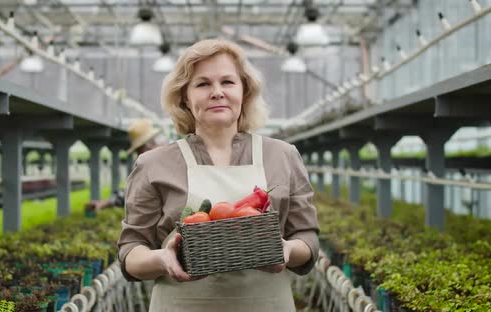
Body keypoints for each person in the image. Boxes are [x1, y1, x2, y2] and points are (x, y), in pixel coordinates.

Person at [117, 38, 320, 312]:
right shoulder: (153, 164)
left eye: (227, 82)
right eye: (202, 84)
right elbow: (131, 249)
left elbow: (307, 237)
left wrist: (287, 250)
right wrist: (162, 259)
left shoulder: (283, 156)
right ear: (185, 99)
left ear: (244, 92)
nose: (217, 92)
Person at [85, 119, 163, 211]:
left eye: (139, 150)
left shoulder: (163, 166)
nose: (138, 155)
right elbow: (133, 192)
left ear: (150, 145)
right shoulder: (149, 169)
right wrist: (104, 203)